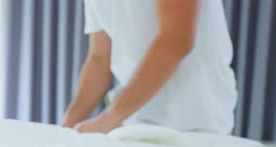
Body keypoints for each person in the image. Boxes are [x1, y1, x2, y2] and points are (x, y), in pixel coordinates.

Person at [62, 0, 236, 134]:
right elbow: (100, 58)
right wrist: (65, 129)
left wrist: (110, 118)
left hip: (198, 125)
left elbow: (176, 40)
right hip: (136, 123)